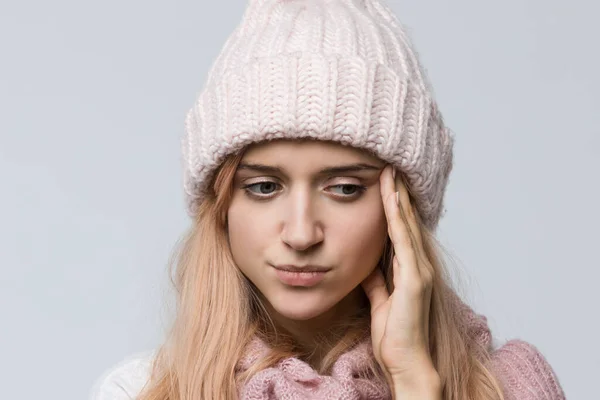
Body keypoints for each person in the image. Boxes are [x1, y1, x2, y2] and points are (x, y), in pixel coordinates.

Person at [90, 0, 566, 399]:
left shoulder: (508, 386)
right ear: (222, 207)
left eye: (344, 189)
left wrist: (415, 382)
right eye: (263, 187)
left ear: (402, 209)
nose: (300, 234)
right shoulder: (141, 391)